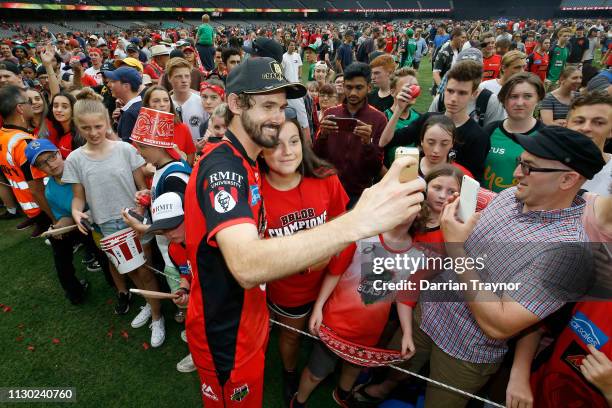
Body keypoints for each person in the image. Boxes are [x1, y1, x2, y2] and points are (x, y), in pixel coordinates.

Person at [184, 56, 425, 407]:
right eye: (267, 105)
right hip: (225, 334)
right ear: (235, 104)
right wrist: (358, 221)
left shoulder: (246, 161)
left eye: (281, 107)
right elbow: (247, 265)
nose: (278, 117)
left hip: (249, 320)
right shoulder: (225, 167)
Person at [360, 126, 606, 408]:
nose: (516, 174)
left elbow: (499, 325)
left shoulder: (569, 254)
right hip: (427, 312)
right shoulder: (511, 195)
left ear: (568, 179)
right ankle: (384, 387)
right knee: (398, 368)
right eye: (519, 163)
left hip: (466, 349)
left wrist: (456, 246)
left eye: (529, 167)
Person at [63, 93, 166, 349]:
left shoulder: (125, 149)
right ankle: (148, 303)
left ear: (107, 121)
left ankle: (157, 315)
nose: (94, 132)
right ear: (77, 126)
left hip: (134, 221)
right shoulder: (75, 159)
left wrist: (143, 207)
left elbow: (142, 188)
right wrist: (77, 212)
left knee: (146, 270)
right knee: (128, 270)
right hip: (106, 226)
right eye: (86, 127)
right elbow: (78, 198)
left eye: (98, 126)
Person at [259, 109, 348, 404]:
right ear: (259, 149)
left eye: (294, 141)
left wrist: (329, 261)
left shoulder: (325, 178)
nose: (287, 152)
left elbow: (341, 223)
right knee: (292, 336)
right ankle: (289, 371)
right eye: (275, 143)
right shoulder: (254, 194)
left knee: (327, 329)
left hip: (334, 279)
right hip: (289, 291)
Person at [290, 215, 419, 408]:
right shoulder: (363, 234)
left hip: (370, 329)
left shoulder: (417, 254)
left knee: (354, 367)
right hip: (336, 322)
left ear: (419, 211)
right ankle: (299, 401)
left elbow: (405, 298)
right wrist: (318, 307)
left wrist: (407, 333)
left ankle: (342, 393)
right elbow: (336, 272)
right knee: (316, 372)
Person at [25, 138, 112, 304]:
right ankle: (74, 292)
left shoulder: (82, 167)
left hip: (100, 220)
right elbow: (64, 216)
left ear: (59, 152)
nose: (51, 164)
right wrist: (58, 227)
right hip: (80, 225)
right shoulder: (50, 190)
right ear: (37, 169)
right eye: (43, 163)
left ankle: (115, 283)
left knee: (96, 243)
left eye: (52, 156)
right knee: (58, 243)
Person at [382, 60, 489, 181]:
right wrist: (398, 110)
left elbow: (472, 182)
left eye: (462, 93)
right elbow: (385, 142)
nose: (454, 98)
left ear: (474, 94)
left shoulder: (478, 137)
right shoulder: (428, 119)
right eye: (450, 91)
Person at [314, 62, 387, 207]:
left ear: (369, 88)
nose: (353, 93)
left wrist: (367, 143)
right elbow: (316, 155)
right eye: (349, 87)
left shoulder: (378, 119)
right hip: (329, 188)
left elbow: (376, 167)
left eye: (359, 88)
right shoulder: (330, 113)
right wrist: (323, 136)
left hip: (359, 193)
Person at [0, 85, 53, 237]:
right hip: (43, 207)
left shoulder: (4, 135)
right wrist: (54, 218)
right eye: (28, 101)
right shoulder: (24, 143)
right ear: (20, 109)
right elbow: (37, 188)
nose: (33, 104)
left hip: (30, 208)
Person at [482, 72, 546, 192]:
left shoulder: (546, 137)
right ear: (503, 100)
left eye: (527, 96)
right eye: (513, 96)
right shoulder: (489, 131)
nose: (519, 103)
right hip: (485, 207)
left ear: (538, 98)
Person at [566, 92, 612, 195]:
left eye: (598, 122)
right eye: (579, 121)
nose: (586, 128)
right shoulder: (543, 165)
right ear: (566, 125)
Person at [141, 85, 196, 166]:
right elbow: (139, 168)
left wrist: (179, 156)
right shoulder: (141, 129)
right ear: (147, 105)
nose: (162, 104)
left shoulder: (182, 128)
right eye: (156, 101)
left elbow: (190, 162)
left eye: (166, 100)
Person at [383, 67, 421, 168]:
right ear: (392, 92)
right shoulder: (383, 118)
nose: (413, 90)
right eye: (407, 87)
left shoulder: (419, 117)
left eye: (415, 86)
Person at [167, 58, 209, 144]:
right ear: (169, 78)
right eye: (178, 76)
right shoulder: (165, 104)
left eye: (187, 76)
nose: (184, 80)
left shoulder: (202, 102)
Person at [103, 66, 142, 143]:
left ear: (126, 86)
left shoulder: (130, 113)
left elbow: (125, 148)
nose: (109, 85)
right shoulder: (139, 105)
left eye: (113, 81)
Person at [432, 28, 467, 92]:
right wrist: (443, 90)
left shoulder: (459, 51)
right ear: (455, 37)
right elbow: (435, 73)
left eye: (465, 38)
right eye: (463, 37)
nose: (464, 40)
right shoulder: (444, 52)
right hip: (442, 91)